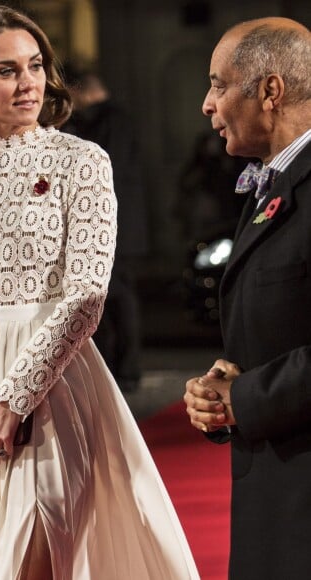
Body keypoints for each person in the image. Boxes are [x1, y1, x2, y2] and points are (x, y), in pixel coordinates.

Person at [0, 5, 199, 579]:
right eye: (7, 70)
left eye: (36, 66)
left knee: (33, 556)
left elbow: (86, 297)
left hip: (52, 387)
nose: (28, 83)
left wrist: (15, 398)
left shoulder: (82, 161)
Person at [184, 17, 311, 580]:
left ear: (270, 90)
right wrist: (219, 394)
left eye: (218, 84)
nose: (207, 105)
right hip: (274, 493)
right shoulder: (273, 186)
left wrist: (247, 397)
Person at [63, 67, 149, 392]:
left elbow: (104, 162)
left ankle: (125, 369)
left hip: (120, 229)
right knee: (113, 300)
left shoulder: (112, 121)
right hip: (121, 227)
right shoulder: (115, 119)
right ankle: (118, 368)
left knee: (120, 300)